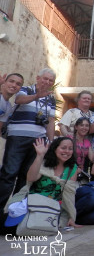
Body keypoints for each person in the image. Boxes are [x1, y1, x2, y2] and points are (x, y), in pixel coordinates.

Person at [0, 68, 56, 211]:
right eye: (45, 78)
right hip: (18, 137)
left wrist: (50, 141)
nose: (47, 82)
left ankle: (14, 212)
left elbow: (50, 120)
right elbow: (19, 100)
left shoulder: (51, 98)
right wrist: (37, 96)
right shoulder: (24, 89)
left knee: (26, 178)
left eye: (50, 80)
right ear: (38, 78)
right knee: (9, 174)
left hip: (38, 141)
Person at [0, 73, 24, 164]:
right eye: (11, 81)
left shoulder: (8, 107)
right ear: (4, 82)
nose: (14, 85)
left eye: (18, 84)